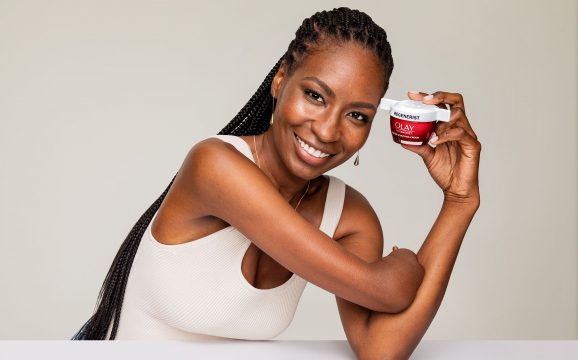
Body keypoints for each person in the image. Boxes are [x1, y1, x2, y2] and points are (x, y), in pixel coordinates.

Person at [71, 6, 481, 359]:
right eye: (316, 96)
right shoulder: (215, 165)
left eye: (357, 115)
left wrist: (459, 201)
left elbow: (381, 349)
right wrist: (403, 265)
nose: (327, 130)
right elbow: (386, 291)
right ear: (280, 81)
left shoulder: (349, 216)